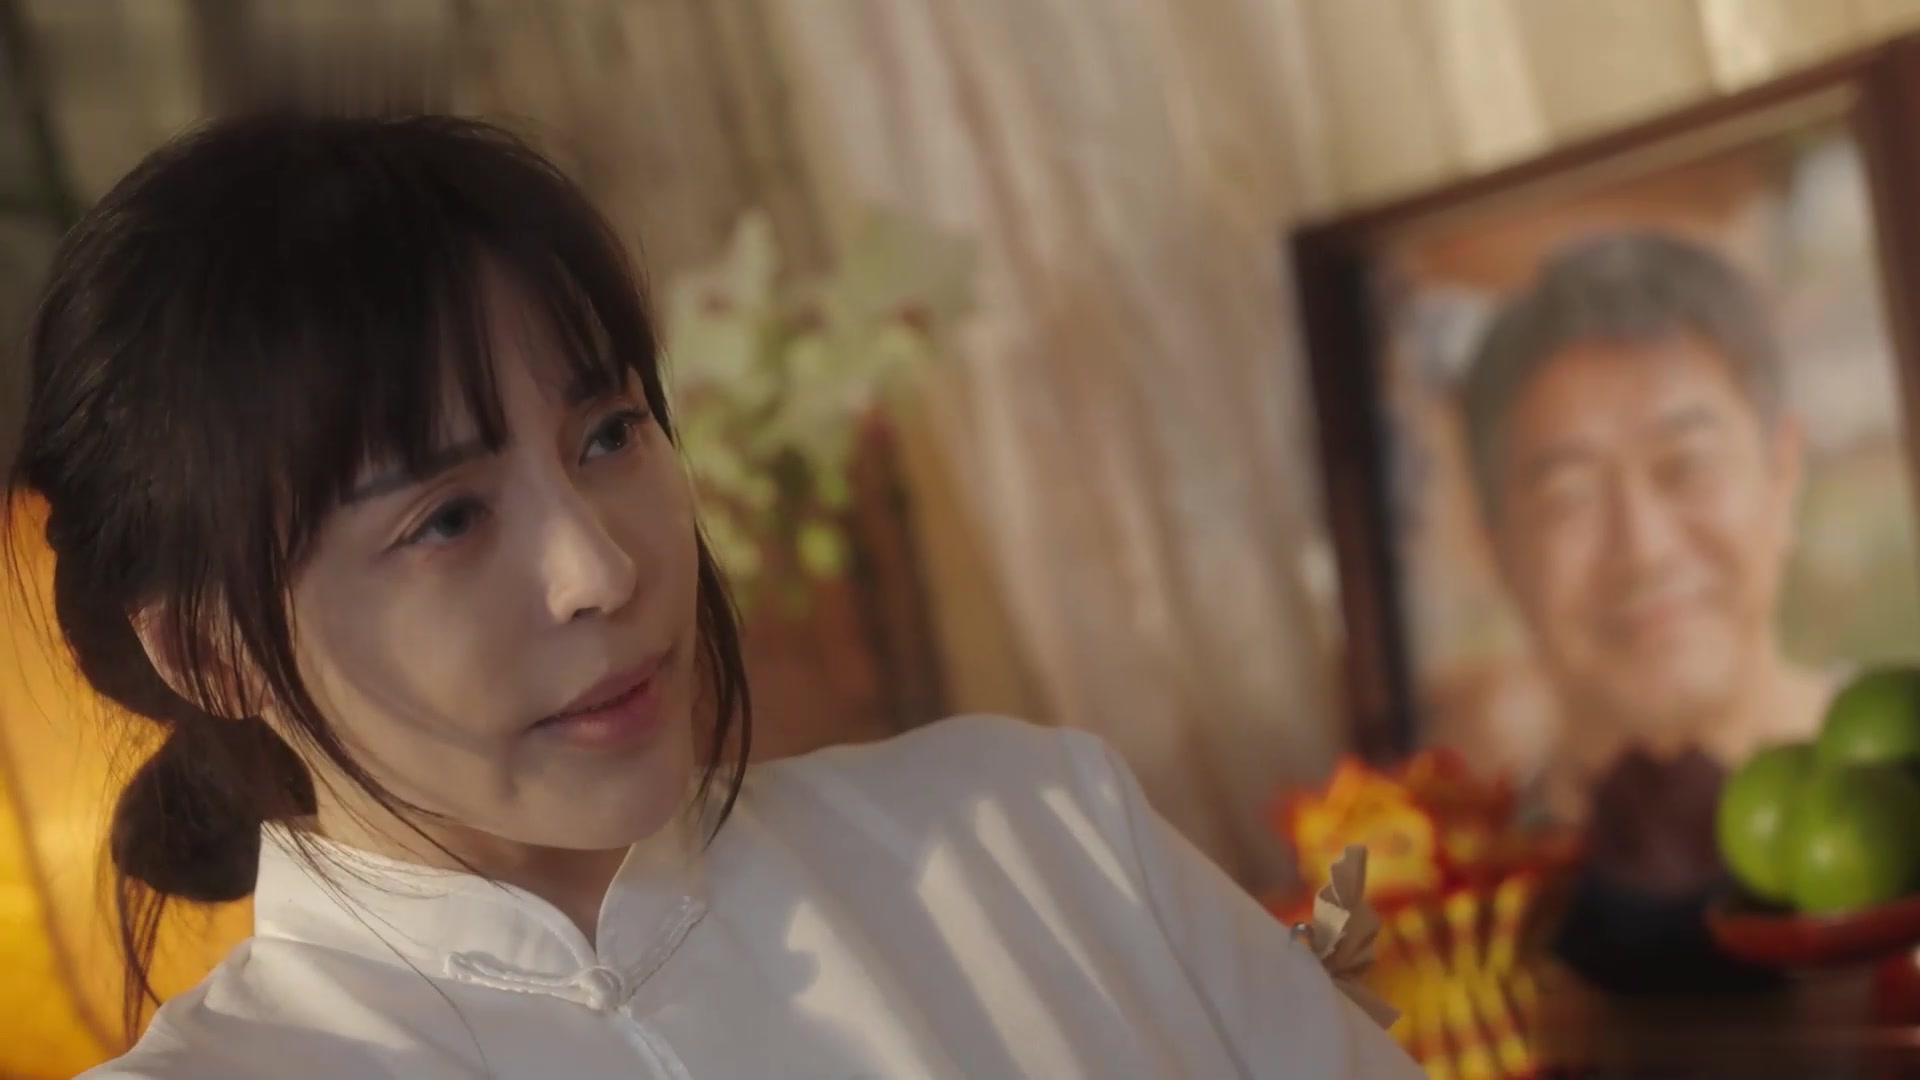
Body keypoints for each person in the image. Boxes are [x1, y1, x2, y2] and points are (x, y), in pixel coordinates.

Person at [4, 112, 1419, 1079]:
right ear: (211, 649)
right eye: (447, 518)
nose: (602, 570)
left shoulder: (1040, 840)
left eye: (610, 435)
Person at [1459, 230, 1824, 992]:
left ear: (1783, 470)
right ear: (1495, 551)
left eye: (1685, 465)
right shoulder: (1463, 920)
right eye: (1569, 497)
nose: (1644, 550)